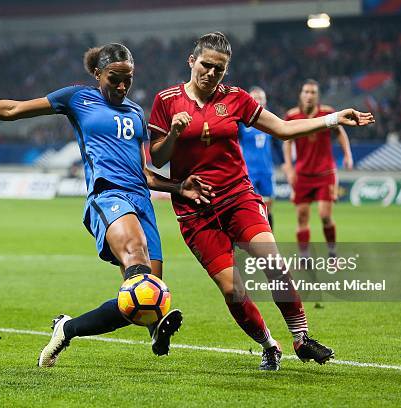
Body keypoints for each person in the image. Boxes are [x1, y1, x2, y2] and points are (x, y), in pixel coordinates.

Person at [0, 43, 214, 367]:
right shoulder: (77, 98)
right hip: (108, 196)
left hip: (140, 200)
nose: (121, 87)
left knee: (147, 300)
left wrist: (178, 187)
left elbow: (142, 172)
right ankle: (149, 323)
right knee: (137, 258)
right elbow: (13, 110)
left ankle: (68, 328)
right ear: (96, 73)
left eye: (127, 80)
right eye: (114, 78)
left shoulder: (134, 113)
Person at [148, 32, 374, 371]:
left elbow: (282, 128)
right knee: (232, 290)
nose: (211, 74)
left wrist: (332, 118)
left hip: (238, 196)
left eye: (219, 69)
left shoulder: (236, 98)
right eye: (206, 65)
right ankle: (269, 344)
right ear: (191, 61)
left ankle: (301, 337)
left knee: (273, 263)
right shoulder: (166, 101)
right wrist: (175, 133)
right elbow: (157, 155)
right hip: (196, 211)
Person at [283, 79, 354, 259]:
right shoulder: (292, 116)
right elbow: (287, 141)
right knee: (302, 218)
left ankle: (332, 254)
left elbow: (340, 133)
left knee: (324, 215)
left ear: (317, 96)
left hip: (325, 173)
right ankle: (304, 257)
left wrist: (348, 155)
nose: (309, 95)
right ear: (301, 94)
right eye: (306, 92)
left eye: (313, 92)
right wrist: (289, 168)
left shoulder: (327, 113)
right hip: (302, 174)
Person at [238, 87, 276, 230]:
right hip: (249, 172)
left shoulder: (271, 121)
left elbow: (278, 145)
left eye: (261, 98)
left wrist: (285, 164)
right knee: (249, 208)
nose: (258, 101)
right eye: (255, 98)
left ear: (265, 102)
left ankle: (269, 238)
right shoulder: (242, 123)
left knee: (268, 208)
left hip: (266, 171)